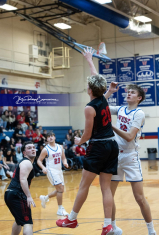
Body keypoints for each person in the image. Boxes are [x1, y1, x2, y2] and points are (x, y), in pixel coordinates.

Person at [56, 48, 119, 235]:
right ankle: (108, 225)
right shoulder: (104, 99)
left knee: (84, 184)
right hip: (112, 145)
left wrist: (78, 141)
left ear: (89, 90)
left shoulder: (90, 107)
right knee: (105, 187)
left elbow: (88, 134)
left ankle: (72, 219)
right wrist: (90, 60)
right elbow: (96, 78)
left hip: (98, 146)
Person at [105, 82, 156, 235]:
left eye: (132, 92)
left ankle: (151, 231)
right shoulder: (120, 109)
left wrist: (111, 126)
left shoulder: (138, 113)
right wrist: (108, 92)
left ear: (139, 98)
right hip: (115, 155)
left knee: (139, 197)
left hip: (130, 157)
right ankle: (113, 228)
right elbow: (100, 106)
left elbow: (129, 137)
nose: (128, 94)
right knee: (110, 195)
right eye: (128, 92)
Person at [4, 141, 36, 235]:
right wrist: (29, 196)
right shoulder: (27, 162)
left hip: (10, 194)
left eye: (33, 147)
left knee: (19, 221)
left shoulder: (25, 162)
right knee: (28, 223)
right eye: (29, 148)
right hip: (17, 194)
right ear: (24, 153)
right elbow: (22, 180)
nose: (33, 149)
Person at [37, 131, 69, 216]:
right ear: (47, 139)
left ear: (54, 137)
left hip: (59, 170)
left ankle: (45, 198)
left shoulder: (60, 147)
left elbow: (63, 158)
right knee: (60, 189)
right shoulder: (45, 149)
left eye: (52, 136)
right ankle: (60, 209)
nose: (50, 138)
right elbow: (39, 161)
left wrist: (65, 163)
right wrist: (43, 168)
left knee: (60, 190)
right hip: (51, 170)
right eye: (48, 137)